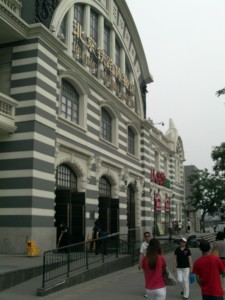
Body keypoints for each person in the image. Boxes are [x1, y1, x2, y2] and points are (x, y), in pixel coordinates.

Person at [138, 231, 151, 298]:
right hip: (146, 263)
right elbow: (141, 254)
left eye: (148, 236)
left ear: (150, 236)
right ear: (144, 237)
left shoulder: (153, 243)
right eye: (146, 236)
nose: (147, 237)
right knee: (147, 278)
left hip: (153, 262)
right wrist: (140, 263)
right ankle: (148, 292)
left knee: (153, 277)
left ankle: (154, 290)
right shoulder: (143, 244)